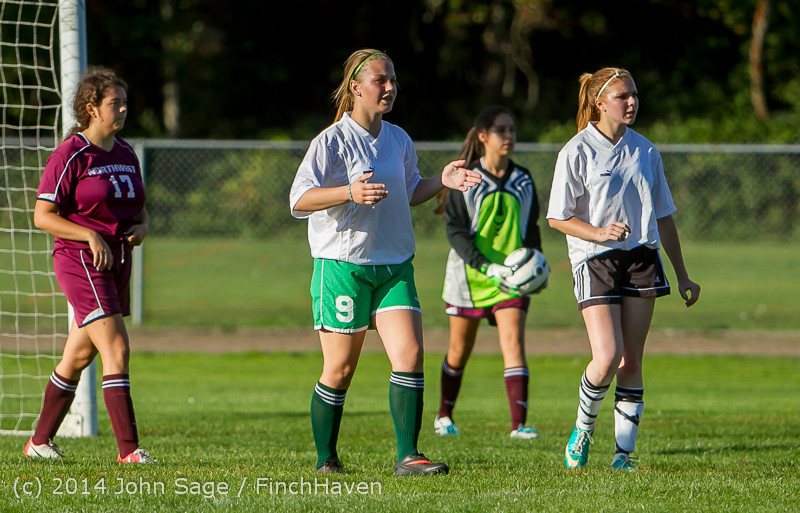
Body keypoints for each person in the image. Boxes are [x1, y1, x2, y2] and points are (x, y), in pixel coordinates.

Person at [289, 48, 481, 476]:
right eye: (380, 80)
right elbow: (298, 199)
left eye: (392, 79)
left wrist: (441, 182)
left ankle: (409, 456)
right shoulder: (331, 141)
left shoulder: (397, 138)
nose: (390, 87)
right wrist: (347, 193)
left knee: (410, 355)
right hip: (342, 267)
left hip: (394, 264)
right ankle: (326, 460)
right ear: (355, 88)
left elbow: (409, 189)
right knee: (340, 369)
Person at [547, 67, 700, 471]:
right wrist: (598, 233)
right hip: (594, 260)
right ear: (599, 103)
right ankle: (582, 430)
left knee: (631, 360)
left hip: (642, 259)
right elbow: (557, 218)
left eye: (634, 94)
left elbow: (664, 217)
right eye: (622, 96)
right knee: (607, 355)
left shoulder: (646, 151)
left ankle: (623, 456)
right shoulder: (576, 151)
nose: (631, 102)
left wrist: (682, 273)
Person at [27, 66, 155, 463]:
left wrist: (144, 226)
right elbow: (43, 215)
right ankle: (129, 452)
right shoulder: (70, 154)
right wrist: (88, 234)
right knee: (116, 348)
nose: (122, 110)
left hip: (117, 259)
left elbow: (140, 209)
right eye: (114, 103)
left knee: (78, 357)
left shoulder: (125, 151)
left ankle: (39, 443)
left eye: (124, 102)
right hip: (81, 261)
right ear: (91, 109)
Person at [433, 106, 544, 441]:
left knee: (513, 344)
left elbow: (531, 228)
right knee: (458, 351)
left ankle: (519, 425)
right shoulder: (466, 178)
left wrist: (536, 264)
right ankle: (444, 415)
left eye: (512, 130)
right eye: (501, 130)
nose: (508, 136)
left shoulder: (523, 179)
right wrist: (486, 266)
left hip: (510, 281)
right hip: (469, 278)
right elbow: (456, 233)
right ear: (483, 137)